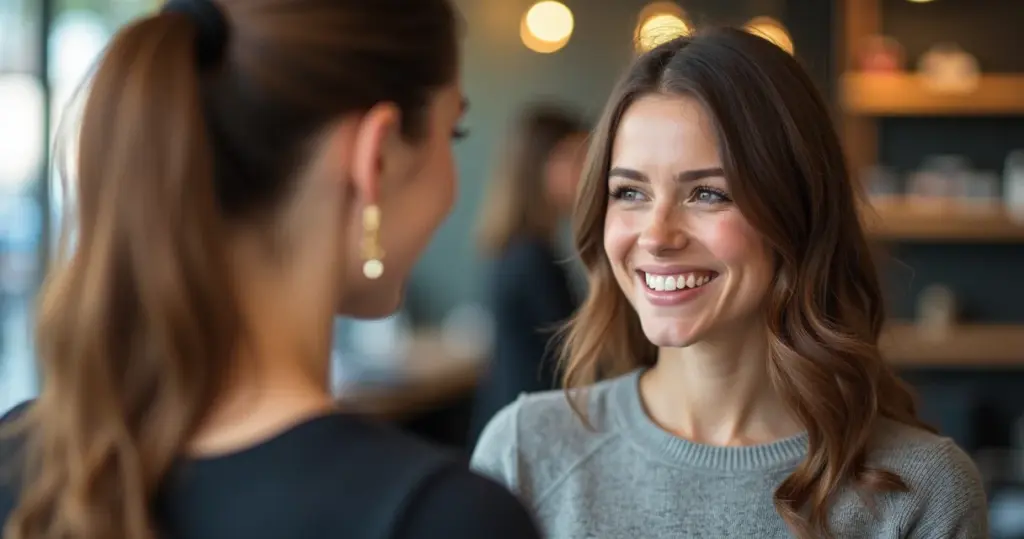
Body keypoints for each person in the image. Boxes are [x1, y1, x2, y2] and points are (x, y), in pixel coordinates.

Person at [0, 1, 542, 538]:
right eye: (454, 133)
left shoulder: (22, 457)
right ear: (375, 159)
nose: (452, 185)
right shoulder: (445, 519)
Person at [471, 27, 988, 539]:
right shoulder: (525, 453)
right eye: (629, 192)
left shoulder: (923, 493)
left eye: (708, 194)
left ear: (796, 212)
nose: (656, 235)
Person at [469, 103, 587, 445]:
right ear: (539, 166)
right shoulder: (532, 258)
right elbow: (572, 356)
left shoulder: (517, 248)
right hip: (529, 435)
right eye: (573, 159)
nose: (584, 173)